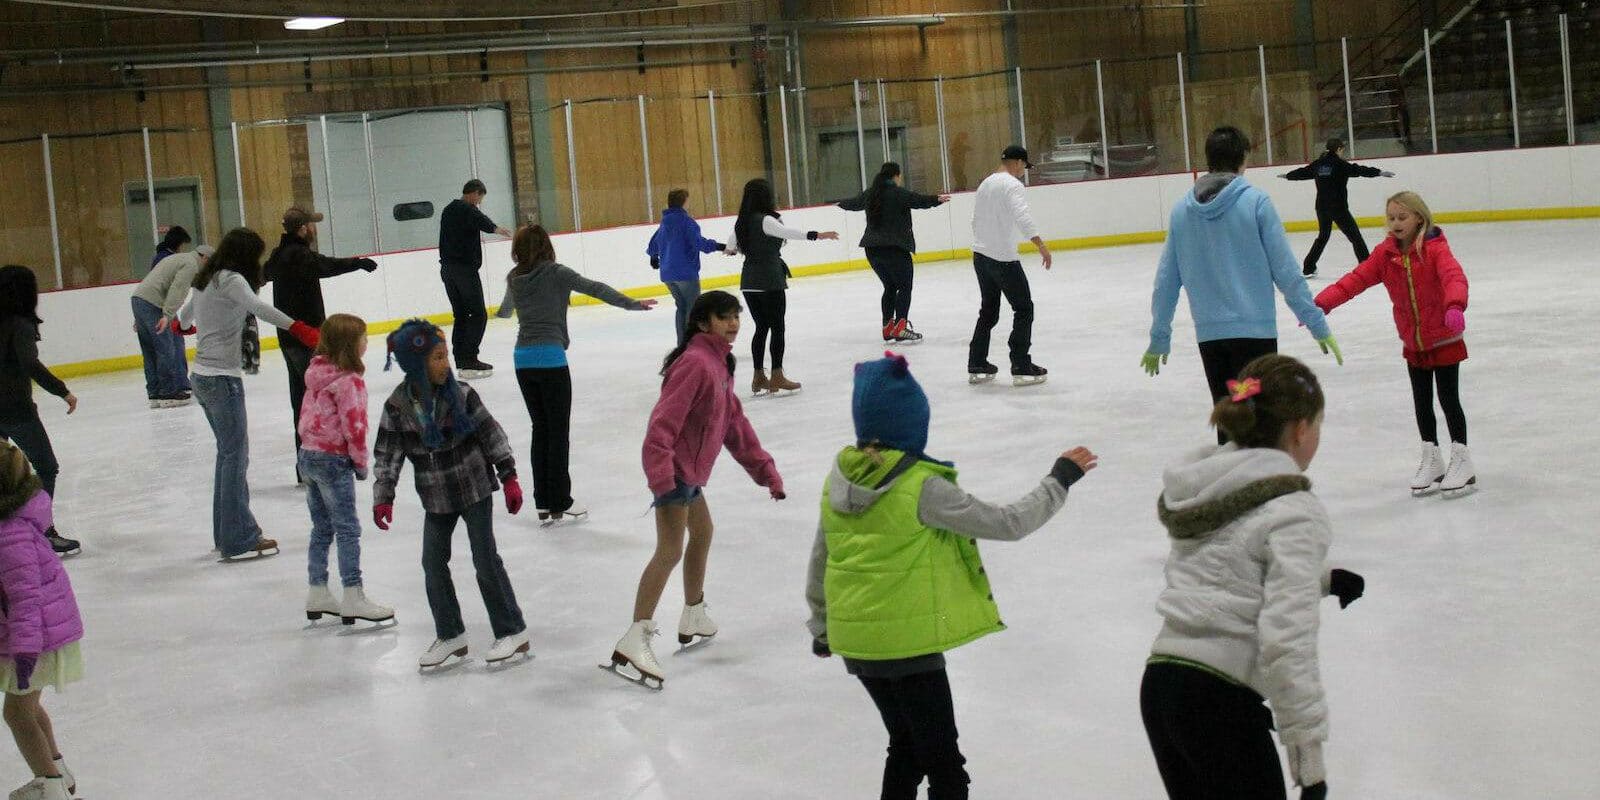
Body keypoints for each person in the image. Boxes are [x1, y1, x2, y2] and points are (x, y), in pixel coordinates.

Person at [805, 352, 1097, 800]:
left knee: (906, 746)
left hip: (857, 644)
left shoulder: (838, 482)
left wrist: (822, 626)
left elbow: (821, 559)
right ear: (913, 425)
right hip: (908, 647)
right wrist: (1059, 479)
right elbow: (1007, 523)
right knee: (945, 765)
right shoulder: (921, 486)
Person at [1141, 354, 1365, 800]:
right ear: (1301, 429)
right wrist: (1309, 760)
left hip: (1163, 689)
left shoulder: (1213, 485)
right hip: (1219, 702)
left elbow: (1228, 562)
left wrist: (1321, 579)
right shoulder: (1296, 511)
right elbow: (1288, 638)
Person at [604, 291, 784, 689]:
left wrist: (765, 471)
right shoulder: (696, 365)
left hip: (690, 473)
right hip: (675, 473)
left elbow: (735, 426)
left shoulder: (720, 365)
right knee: (669, 550)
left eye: (736, 316)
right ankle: (636, 637)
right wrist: (662, 478)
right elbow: (661, 425)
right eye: (724, 318)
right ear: (703, 323)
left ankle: (693, 612)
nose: (734, 324)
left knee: (702, 533)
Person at [1142, 126, 1343, 444]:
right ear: (1243, 159)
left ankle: (1231, 487)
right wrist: (1316, 323)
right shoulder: (1256, 202)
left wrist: (1159, 337)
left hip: (1212, 339)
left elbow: (1166, 281)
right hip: (1255, 339)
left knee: (1230, 424)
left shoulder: (1182, 211)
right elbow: (1287, 273)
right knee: (1260, 425)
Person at [371, 320, 529, 668]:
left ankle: (512, 630)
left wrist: (510, 476)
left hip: (473, 489)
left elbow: (492, 435)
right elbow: (387, 455)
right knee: (432, 562)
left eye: (447, 356)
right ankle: (451, 635)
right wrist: (384, 496)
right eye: (438, 358)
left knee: (485, 560)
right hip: (436, 497)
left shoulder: (463, 395)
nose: (446, 364)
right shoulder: (397, 407)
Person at [1315, 191, 1474, 496]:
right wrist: (1323, 303)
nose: (1396, 223)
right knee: (1422, 401)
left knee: (1448, 398)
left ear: (1419, 218)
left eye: (1403, 217)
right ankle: (1432, 457)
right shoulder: (1385, 255)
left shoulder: (1435, 249)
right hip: (1413, 341)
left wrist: (1455, 305)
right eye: (1391, 218)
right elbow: (1356, 279)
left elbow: (1454, 277)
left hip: (1443, 337)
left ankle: (1461, 457)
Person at [176, 228, 321, 561]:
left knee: (227, 456)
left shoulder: (206, 277)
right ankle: (239, 537)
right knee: (235, 458)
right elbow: (259, 307)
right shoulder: (231, 280)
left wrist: (201, 326)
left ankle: (224, 533)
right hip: (221, 380)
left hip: (200, 376)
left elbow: (183, 321)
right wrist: (299, 328)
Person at [498, 225, 655, 525]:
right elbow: (595, 288)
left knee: (540, 430)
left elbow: (505, 310)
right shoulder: (556, 273)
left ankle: (543, 501)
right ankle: (561, 500)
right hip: (550, 359)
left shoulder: (514, 277)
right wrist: (632, 304)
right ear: (546, 246)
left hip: (523, 360)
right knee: (557, 433)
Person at [263, 207, 378, 484]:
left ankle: (304, 467)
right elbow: (325, 265)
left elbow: (264, 273)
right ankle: (315, 464)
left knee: (299, 400)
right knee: (314, 402)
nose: (314, 230)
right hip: (307, 338)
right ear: (303, 228)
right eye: (311, 226)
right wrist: (357, 262)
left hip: (288, 339)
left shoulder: (279, 255)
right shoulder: (299, 255)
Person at [0, 441, 84, 800]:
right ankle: (58, 773)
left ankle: (49, 787)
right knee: (29, 708)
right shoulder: (15, 524)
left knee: (17, 714)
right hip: (38, 636)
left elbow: (25, 601)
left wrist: (25, 651)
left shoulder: (8, 537)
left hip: (35, 641)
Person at [298, 313, 393, 627]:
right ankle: (353, 595)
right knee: (348, 529)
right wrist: (361, 463)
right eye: (363, 338)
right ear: (351, 345)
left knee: (321, 527)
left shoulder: (316, 372)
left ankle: (318, 590)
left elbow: (306, 416)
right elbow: (354, 426)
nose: (367, 342)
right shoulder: (349, 380)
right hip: (333, 459)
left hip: (308, 456)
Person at [728, 178, 838, 396]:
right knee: (777, 327)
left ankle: (759, 376)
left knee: (762, 327)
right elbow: (789, 233)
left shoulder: (741, 223)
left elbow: (730, 249)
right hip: (769, 279)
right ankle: (777, 374)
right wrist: (817, 235)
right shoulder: (766, 220)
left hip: (749, 281)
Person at [0, 266, 80, 557]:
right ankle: (41, 531)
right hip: (16, 409)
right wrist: (63, 391)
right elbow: (30, 364)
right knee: (46, 466)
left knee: (2, 472)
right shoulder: (20, 325)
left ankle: (10, 534)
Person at [838, 162, 949, 344]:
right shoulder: (899, 193)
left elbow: (854, 203)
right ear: (896, 175)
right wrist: (937, 199)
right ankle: (900, 327)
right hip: (895, 248)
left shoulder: (871, 193)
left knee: (890, 286)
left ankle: (888, 327)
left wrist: (841, 204)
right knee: (904, 287)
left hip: (872, 249)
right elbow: (918, 200)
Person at [968, 145, 1052, 386]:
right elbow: (1022, 216)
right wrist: (1041, 245)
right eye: (1024, 167)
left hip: (981, 255)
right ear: (1017, 162)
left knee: (989, 310)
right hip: (1002, 258)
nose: (1023, 172)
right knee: (1024, 308)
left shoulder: (985, 183)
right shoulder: (1012, 185)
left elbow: (975, 219)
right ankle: (1020, 364)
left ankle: (977, 361)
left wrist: (983, 243)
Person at [1279, 138, 1395, 277]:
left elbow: (1303, 172)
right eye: (1342, 150)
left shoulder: (1319, 164)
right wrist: (1378, 172)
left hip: (1322, 207)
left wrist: (1288, 176)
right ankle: (1366, 266)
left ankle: (1308, 267)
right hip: (1338, 208)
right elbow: (1358, 170)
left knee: (1323, 237)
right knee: (1355, 237)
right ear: (1339, 149)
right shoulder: (1340, 164)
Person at [438, 179, 512, 379]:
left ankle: (461, 359)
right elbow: (481, 220)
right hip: (463, 271)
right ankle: (470, 358)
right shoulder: (466, 208)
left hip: (447, 269)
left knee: (461, 315)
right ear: (474, 193)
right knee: (479, 314)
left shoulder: (448, 209)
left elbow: (476, 219)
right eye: (479, 198)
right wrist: (497, 229)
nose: (478, 203)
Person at [132, 245, 212, 408]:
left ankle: (154, 393)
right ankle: (168, 393)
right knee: (166, 348)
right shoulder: (190, 264)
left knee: (149, 350)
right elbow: (178, 289)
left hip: (139, 300)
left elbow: (154, 281)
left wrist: (140, 315)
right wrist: (168, 315)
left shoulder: (177, 258)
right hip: (154, 304)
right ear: (204, 258)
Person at [645, 188, 727, 344]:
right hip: (685, 273)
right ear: (684, 202)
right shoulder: (686, 222)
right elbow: (699, 243)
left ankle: (682, 343)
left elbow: (653, 243)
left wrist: (654, 257)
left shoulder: (665, 222)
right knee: (693, 308)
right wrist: (720, 246)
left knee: (681, 307)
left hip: (668, 275)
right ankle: (692, 343)